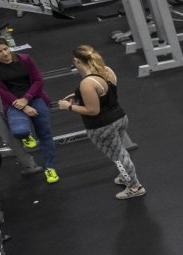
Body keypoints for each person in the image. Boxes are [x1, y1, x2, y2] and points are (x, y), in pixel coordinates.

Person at [55, 44, 144, 199]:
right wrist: (80, 95)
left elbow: (93, 110)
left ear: (77, 61)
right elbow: (104, 94)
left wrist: (68, 106)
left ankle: (135, 187)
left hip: (102, 127)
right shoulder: (106, 70)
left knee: (118, 157)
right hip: (120, 118)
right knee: (120, 152)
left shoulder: (87, 83)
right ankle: (126, 177)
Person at [0, 38, 58, 184]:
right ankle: (26, 136)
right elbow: (0, 90)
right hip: (14, 102)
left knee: (45, 134)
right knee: (19, 131)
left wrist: (27, 98)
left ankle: (49, 167)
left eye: (6, 49)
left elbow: (38, 80)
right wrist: (23, 105)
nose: (5, 53)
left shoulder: (25, 59)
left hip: (34, 97)